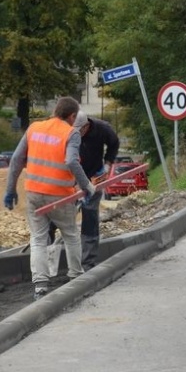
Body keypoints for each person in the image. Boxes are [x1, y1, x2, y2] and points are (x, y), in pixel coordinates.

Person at [3, 96, 95, 299]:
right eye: (74, 118)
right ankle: (76, 277)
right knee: (70, 234)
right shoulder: (71, 133)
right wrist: (86, 185)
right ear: (72, 116)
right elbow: (71, 161)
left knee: (37, 239)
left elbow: (17, 158)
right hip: (60, 196)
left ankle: (40, 286)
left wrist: (10, 190)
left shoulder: (34, 128)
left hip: (34, 193)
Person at [77, 114, 120, 268]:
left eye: (79, 131)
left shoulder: (102, 129)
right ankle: (51, 259)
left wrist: (108, 163)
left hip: (93, 177)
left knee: (89, 217)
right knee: (58, 217)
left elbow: (114, 143)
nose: (77, 134)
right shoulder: (67, 130)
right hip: (71, 178)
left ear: (86, 126)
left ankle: (88, 262)